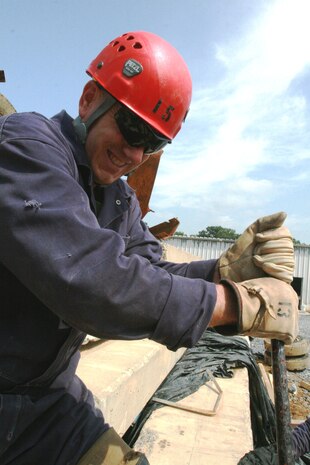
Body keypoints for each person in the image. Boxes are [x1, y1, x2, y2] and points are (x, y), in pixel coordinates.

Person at [0, 31, 298, 465]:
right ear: (89, 100)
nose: (136, 153)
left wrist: (228, 272)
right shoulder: (26, 148)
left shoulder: (116, 199)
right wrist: (234, 304)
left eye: (153, 142)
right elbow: (90, 282)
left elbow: (152, 272)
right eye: (133, 127)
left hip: (47, 403)